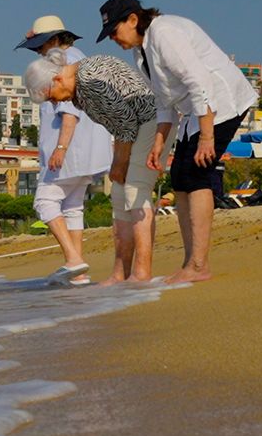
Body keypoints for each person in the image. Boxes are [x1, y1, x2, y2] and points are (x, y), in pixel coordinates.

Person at [96, 0, 256, 285]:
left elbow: (199, 81)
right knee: (180, 177)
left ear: (133, 19)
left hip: (220, 102)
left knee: (196, 175)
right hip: (193, 111)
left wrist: (207, 137)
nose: (113, 40)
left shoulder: (164, 33)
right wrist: (159, 142)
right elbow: (163, 101)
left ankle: (199, 265)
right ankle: (190, 263)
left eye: (114, 31)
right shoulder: (140, 51)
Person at [23, 51, 160, 284]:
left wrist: (120, 162)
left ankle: (141, 273)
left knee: (134, 193)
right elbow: (118, 124)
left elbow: (125, 121)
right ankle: (120, 274)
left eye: (51, 97)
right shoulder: (78, 87)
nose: (56, 102)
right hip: (133, 129)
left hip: (149, 123)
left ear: (56, 79)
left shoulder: (87, 79)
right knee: (118, 197)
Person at [17, 15, 113, 285]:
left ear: (57, 39)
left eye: (41, 45)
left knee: (45, 202)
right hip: (86, 151)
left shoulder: (65, 63)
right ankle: (78, 274)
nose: (38, 52)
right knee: (72, 207)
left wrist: (61, 148)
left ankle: (73, 260)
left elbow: (69, 110)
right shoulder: (80, 58)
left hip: (70, 150)